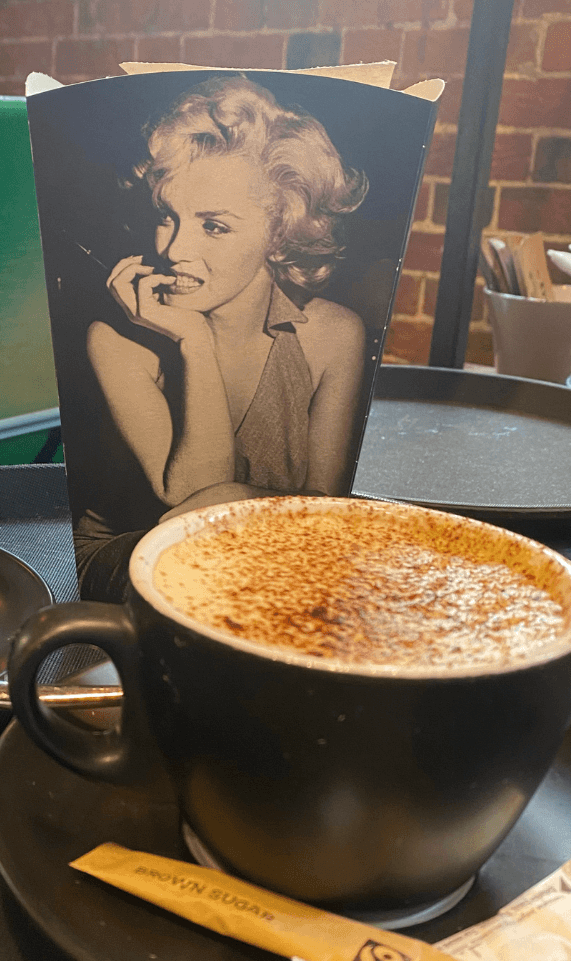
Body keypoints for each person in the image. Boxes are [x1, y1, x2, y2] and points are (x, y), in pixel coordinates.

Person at [75, 75, 369, 600]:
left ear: (279, 233)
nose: (174, 249)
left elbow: (325, 516)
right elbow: (192, 498)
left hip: (265, 568)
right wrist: (193, 341)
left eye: (214, 226)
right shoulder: (114, 341)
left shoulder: (334, 337)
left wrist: (251, 505)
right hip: (134, 566)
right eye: (167, 217)